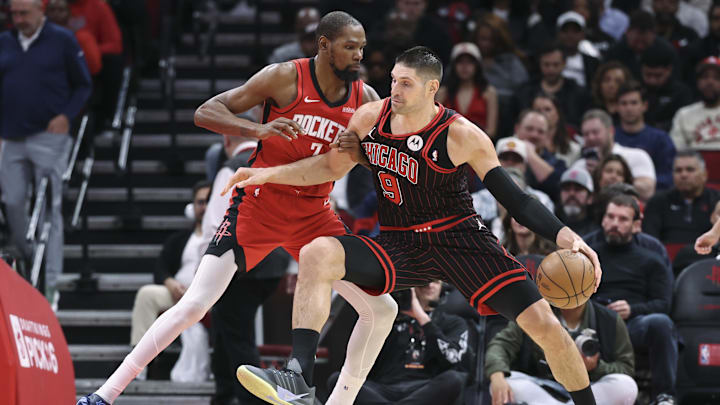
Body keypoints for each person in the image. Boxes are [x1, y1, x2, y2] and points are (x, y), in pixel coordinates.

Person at [229, 46, 604, 405]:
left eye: (406, 83)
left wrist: (565, 236)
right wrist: (267, 175)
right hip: (400, 243)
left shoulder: (460, 134)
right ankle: (298, 378)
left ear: (431, 88)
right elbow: (327, 167)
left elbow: (517, 201)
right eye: (393, 80)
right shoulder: (368, 118)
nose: (395, 89)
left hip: (460, 240)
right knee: (317, 252)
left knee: (546, 327)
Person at [76, 11, 399, 405]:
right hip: (258, 206)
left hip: (314, 214)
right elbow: (205, 111)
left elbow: (380, 157)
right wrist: (257, 129)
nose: (359, 56)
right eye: (350, 47)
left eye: (362, 48)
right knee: (194, 305)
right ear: (324, 45)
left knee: (382, 307)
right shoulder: (283, 77)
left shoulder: (364, 99)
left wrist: (364, 156)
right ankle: (105, 394)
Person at [0, 0, 92, 305]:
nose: (19, 19)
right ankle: (29, 263)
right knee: (12, 202)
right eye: (14, 14)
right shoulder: (5, 41)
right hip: (11, 136)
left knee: (50, 210)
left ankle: (50, 282)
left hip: (48, 136)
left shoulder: (63, 39)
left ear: (41, 10)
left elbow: (83, 84)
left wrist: (66, 115)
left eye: (24, 13)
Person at [203, 134, 290, 404]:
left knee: (239, 337)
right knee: (225, 327)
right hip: (275, 262)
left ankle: (252, 400)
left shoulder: (232, 169)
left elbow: (215, 226)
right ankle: (224, 393)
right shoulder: (279, 164)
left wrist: (203, 278)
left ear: (227, 140)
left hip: (241, 265)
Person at [590, 194, 678, 405]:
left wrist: (632, 309)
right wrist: (600, 309)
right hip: (596, 323)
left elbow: (664, 304)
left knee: (661, 323)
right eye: (610, 217)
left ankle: (664, 396)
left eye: (623, 219)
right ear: (603, 219)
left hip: (634, 323)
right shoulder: (589, 255)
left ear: (637, 225)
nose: (614, 224)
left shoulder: (653, 260)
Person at [327, 281, 471, 405]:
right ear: (412, 288)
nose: (430, 285)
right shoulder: (388, 317)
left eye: (436, 281)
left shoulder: (453, 323)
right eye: (424, 282)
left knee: (455, 379)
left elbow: (452, 358)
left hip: (423, 389)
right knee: (337, 380)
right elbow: (361, 355)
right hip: (383, 389)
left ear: (443, 288)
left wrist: (422, 318)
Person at [130, 181, 211, 382]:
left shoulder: (222, 237)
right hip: (177, 293)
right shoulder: (180, 239)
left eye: (209, 201)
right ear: (193, 207)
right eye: (200, 202)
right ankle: (138, 367)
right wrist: (170, 283)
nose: (205, 207)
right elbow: (161, 266)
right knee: (146, 294)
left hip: (209, 297)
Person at [485, 299, 637, 405]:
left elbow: (626, 368)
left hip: (592, 387)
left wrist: (596, 367)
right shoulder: (532, 313)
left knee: (626, 385)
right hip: (544, 387)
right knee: (500, 385)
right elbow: (500, 345)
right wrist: (497, 375)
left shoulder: (610, 319)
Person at [571, 109, 656, 201]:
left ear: (611, 131)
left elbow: (648, 191)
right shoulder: (580, 165)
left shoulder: (636, 156)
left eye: (595, 132)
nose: (591, 138)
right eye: (586, 134)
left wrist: (612, 177)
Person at [643, 151, 720, 245]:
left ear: (704, 175)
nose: (683, 175)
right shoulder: (657, 201)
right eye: (678, 170)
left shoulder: (717, 201)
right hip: (666, 257)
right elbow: (650, 241)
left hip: (708, 255)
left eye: (690, 170)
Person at [613, 80, 676, 190]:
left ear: (644, 106)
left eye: (634, 103)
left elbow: (669, 176)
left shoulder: (661, 139)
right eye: (624, 103)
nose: (628, 108)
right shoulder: (610, 137)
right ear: (617, 107)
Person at [515, 42, 591, 127]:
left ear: (564, 64)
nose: (551, 69)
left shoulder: (578, 93)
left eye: (555, 65)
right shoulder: (525, 92)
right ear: (539, 64)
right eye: (546, 65)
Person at [437, 42, 498, 139]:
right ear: (453, 66)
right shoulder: (443, 93)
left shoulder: (489, 93)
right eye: (460, 62)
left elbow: (491, 131)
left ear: (477, 66)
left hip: (479, 145)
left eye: (470, 62)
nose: (464, 66)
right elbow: (435, 126)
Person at [639, 40, 693, 132]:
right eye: (648, 75)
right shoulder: (636, 90)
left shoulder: (681, 93)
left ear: (669, 70)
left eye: (658, 75)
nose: (652, 80)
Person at [513, 109, 567, 199]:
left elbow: (558, 188)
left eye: (540, 131)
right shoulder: (499, 153)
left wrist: (530, 154)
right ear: (517, 128)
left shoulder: (558, 164)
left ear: (547, 135)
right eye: (529, 129)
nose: (534, 135)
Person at [605, 10, 673, 80]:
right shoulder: (614, 53)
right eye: (636, 41)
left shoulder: (665, 52)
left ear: (654, 35)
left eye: (644, 42)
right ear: (627, 32)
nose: (639, 46)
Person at [670, 56, 720, 150]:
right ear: (697, 82)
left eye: (717, 78)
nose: (710, 82)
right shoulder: (683, 114)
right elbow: (676, 151)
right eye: (705, 77)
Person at [45, 0, 101, 75]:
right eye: (52, 10)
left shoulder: (82, 37)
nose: (56, 13)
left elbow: (94, 67)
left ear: (69, 13)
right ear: (44, 13)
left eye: (61, 10)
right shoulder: (36, 36)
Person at [531, 92, 581, 166]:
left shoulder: (574, 150)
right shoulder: (521, 142)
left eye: (547, 109)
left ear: (558, 114)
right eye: (538, 110)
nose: (542, 113)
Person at [555, 11, 601, 88]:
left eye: (575, 31)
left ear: (583, 34)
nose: (570, 35)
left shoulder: (593, 63)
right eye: (565, 31)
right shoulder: (548, 60)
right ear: (558, 33)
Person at [557, 168, 598, 237]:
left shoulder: (596, 235)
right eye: (566, 189)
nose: (571, 193)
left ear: (590, 198)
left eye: (578, 189)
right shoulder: (550, 227)